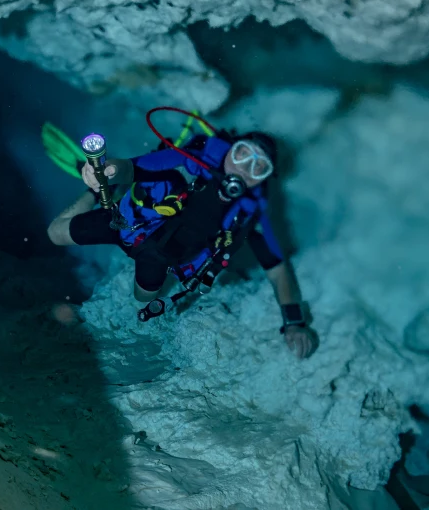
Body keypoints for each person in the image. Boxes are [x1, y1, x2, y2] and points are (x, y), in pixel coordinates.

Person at [47, 130, 319, 359]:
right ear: (228, 151)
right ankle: (95, 192)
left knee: (144, 297)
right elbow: (134, 166)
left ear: (262, 179)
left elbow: (277, 268)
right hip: (128, 223)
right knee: (55, 233)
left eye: (259, 167)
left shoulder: (249, 214)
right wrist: (107, 173)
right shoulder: (191, 162)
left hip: (158, 257)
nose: (244, 168)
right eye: (242, 154)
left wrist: (294, 322)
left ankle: (104, 195)